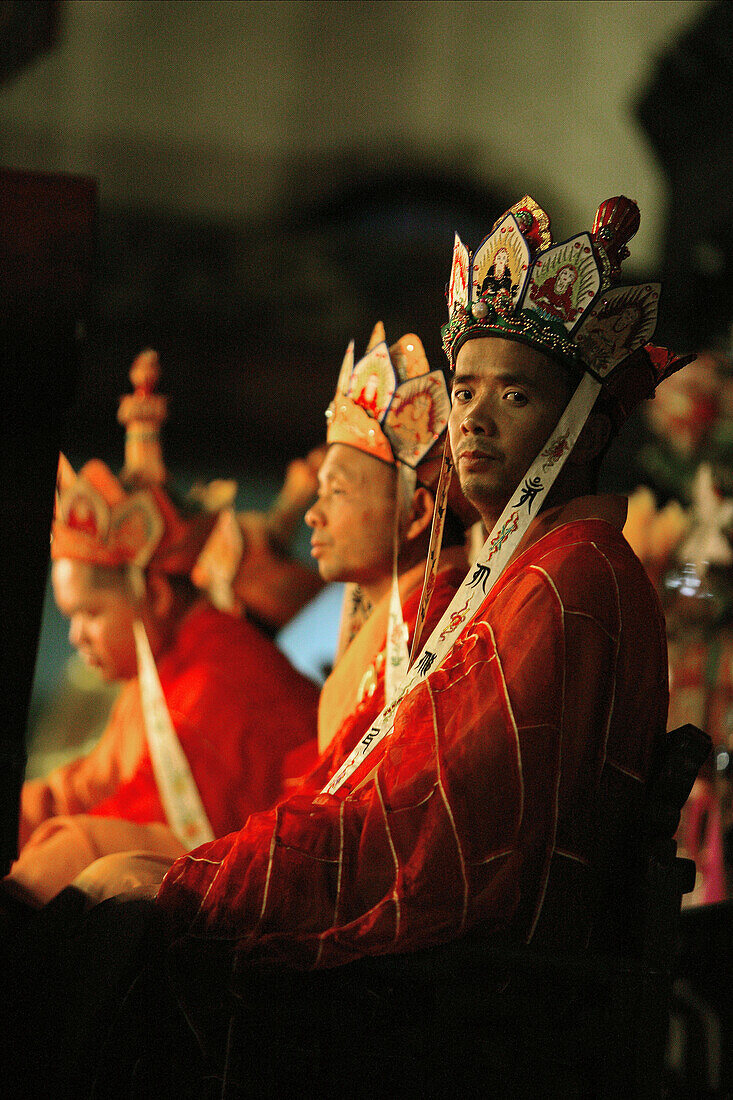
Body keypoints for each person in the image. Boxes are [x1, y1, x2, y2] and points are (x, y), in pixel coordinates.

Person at [5, 199, 689, 1095]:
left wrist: (215, 877)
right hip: (462, 955)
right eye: (465, 391)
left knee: (116, 910)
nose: (473, 421)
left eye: (514, 394)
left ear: (589, 425)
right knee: (96, 884)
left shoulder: (567, 586)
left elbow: (435, 832)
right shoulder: (535, 575)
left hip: (467, 984)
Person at [4, 350, 320, 908]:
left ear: (152, 593)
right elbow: (88, 784)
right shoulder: (169, 669)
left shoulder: (215, 685)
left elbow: (143, 823)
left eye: (89, 614)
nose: (76, 636)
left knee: (83, 853)